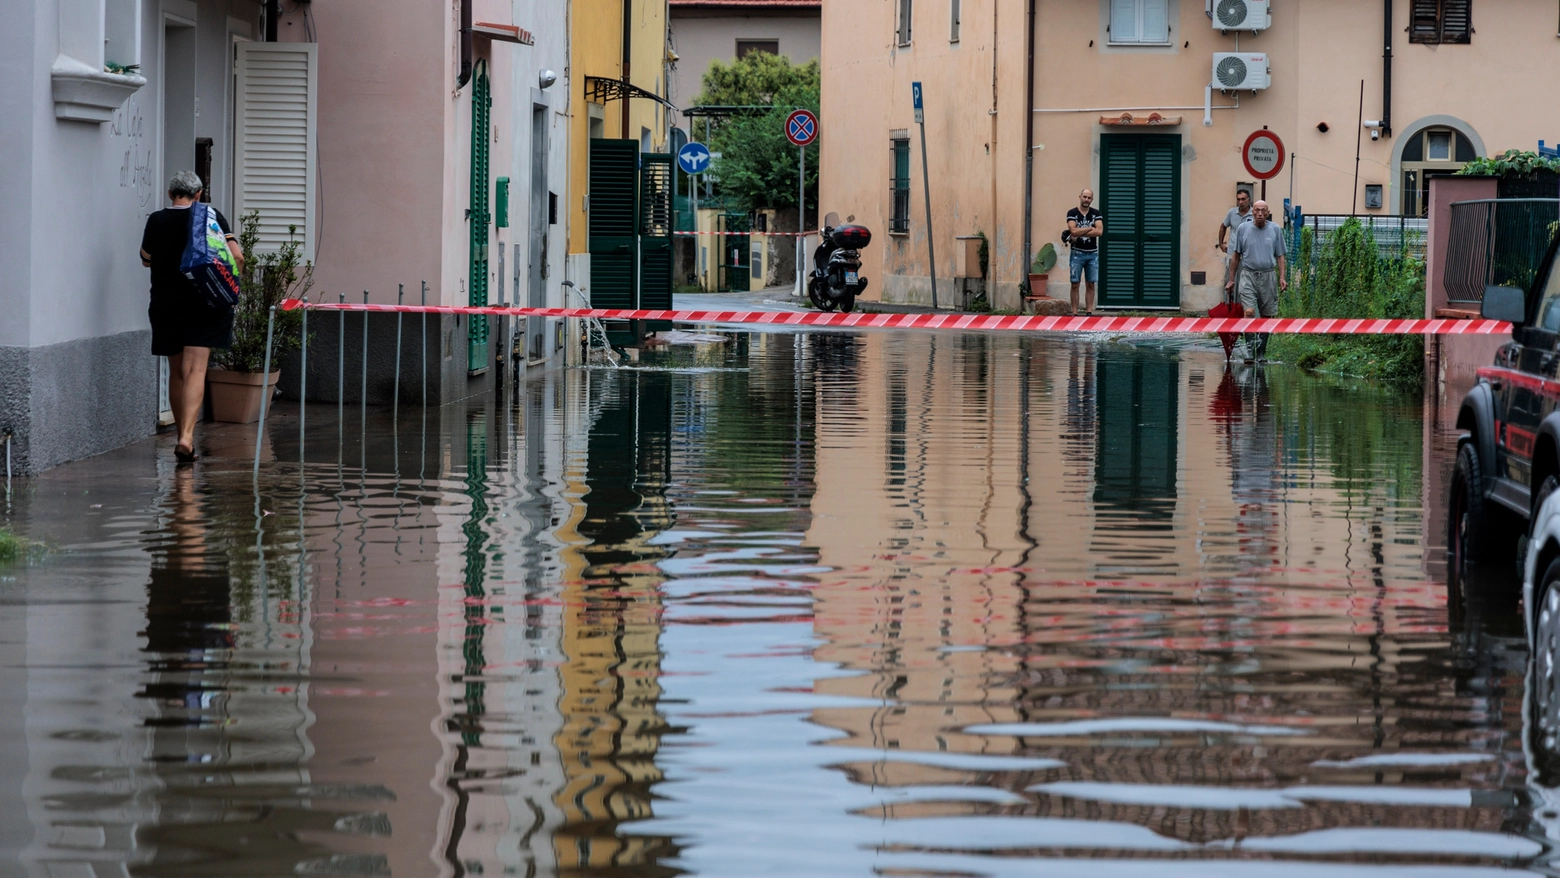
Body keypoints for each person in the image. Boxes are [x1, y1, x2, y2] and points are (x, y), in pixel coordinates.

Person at [140, 170, 244, 463]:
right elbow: (236, 255)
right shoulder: (210, 216)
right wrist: (230, 286)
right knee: (196, 369)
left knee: (176, 372)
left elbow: (145, 259)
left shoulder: (156, 219)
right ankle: (187, 437)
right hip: (205, 302)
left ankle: (179, 437)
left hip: (165, 304)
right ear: (198, 194)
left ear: (171, 194)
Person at [1225, 199, 1287, 363]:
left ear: (1268, 213)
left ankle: (1261, 354)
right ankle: (1249, 352)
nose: (1260, 213)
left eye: (1263, 210)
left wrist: (1282, 277)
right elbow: (1235, 256)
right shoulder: (1243, 229)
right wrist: (1231, 280)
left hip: (1268, 275)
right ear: (1253, 212)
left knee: (1267, 315)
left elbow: (1280, 256)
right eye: (1257, 210)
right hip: (1248, 275)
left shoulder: (1274, 229)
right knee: (1249, 312)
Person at [1066, 189, 1103, 315]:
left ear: (1092, 200)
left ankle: (1088, 312)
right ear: (1080, 196)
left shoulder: (1096, 213)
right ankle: (1075, 312)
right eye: (1085, 197)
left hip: (1092, 254)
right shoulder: (1072, 213)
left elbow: (1099, 232)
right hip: (1077, 253)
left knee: (1091, 284)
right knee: (1075, 284)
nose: (1086, 200)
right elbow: (1073, 231)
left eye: (1089, 198)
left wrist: (1079, 230)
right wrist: (1089, 228)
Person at [1217, 189, 1253, 289]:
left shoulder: (1254, 214)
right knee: (1230, 280)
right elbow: (1223, 226)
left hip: (1248, 254)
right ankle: (1230, 302)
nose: (1240, 202)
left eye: (1243, 199)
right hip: (1233, 252)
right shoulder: (1232, 213)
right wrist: (1221, 243)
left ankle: (1242, 303)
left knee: (1245, 283)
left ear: (1249, 200)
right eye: (1238, 199)